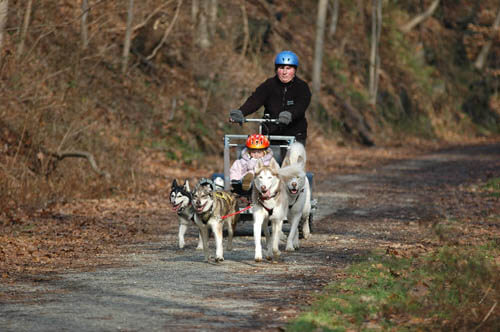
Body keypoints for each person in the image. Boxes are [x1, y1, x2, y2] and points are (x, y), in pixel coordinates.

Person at [229, 50, 312, 146]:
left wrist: (290, 115)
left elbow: (301, 106)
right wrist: (241, 112)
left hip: (294, 134)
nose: (284, 72)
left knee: (293, 159)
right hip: (271, 133)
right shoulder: (269, 85)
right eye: (281, 68)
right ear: (276, 69)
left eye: (288, 68)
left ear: (294, 70)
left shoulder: (302, 87)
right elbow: (255, 100)